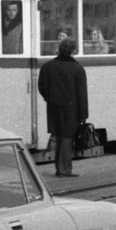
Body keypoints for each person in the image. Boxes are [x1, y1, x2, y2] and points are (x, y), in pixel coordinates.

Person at [38, 37, 88, 178]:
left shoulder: (47, 66)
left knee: (59, 136)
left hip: (53, 107)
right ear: (73, 51)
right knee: (67, 138)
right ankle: (64, 170)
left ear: (59, 49)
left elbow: (41, 87)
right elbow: (82, 94)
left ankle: (62, 168)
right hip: (71, 109)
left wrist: (49, 98)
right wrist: (83, 115)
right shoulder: (78, 68)